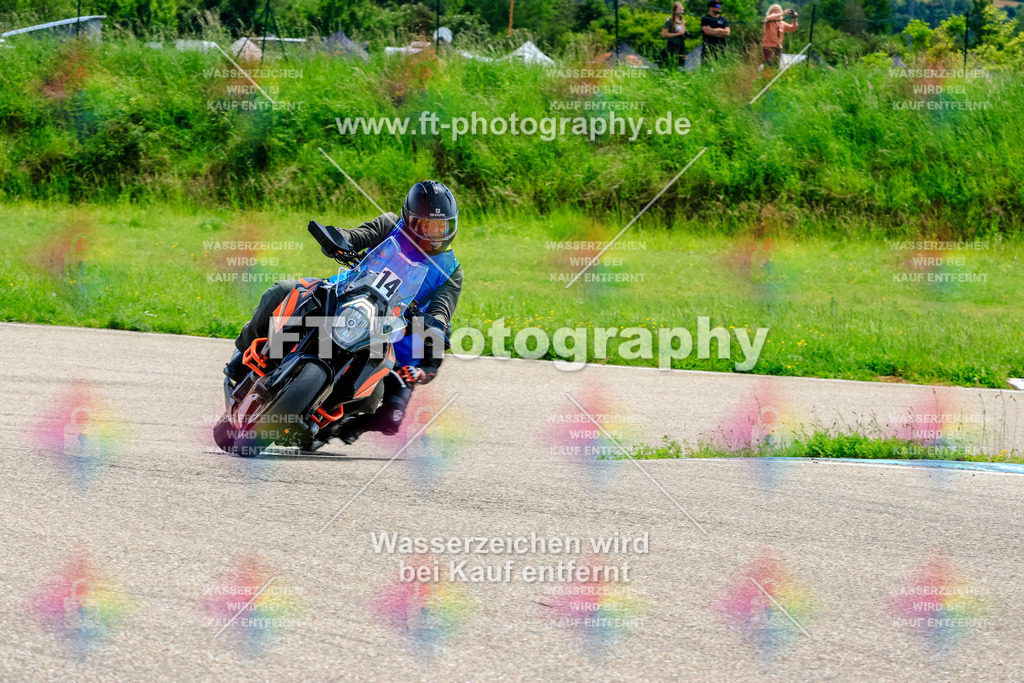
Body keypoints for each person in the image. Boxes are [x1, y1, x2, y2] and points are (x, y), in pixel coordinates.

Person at [225, 180, 463, 445]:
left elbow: (442, 310)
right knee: (284, 290)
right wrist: (338, 241)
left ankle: (323, 419)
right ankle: (241, 357)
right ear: (409, 220)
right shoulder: (389, 225)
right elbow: (356, 236)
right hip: (341, 293)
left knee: (374, 394)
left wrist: (434, 326)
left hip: (381, 327)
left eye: (441, 226)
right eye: (425, 225)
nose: (433, 234)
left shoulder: (451, 271)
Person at [762, 5, 798, 73]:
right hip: (768, 47)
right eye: (774, 11)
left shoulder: (782, 23)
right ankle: (766, 81)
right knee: (768, 67)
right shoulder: (768, 22)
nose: (776, 12)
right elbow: (769, 18)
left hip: (778, 48)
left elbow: (793, 28)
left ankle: (774, 81)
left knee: (776, 67)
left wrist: (794, 18)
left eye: (777, 11)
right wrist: (782, 13)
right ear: (770, 12)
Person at [660, 2, 693, 69]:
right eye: (680, 10)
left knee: (680, 67)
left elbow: (683, 37)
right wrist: (676, 34)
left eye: (683, 10)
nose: (682, 11)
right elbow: (663, 35)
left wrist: (684, 35)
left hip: (680, 47)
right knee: (669, 65)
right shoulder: (669, 21)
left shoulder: (683, 22)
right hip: (671, 47)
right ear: (675, 10)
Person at [700, 0, 730, 66]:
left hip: (720, 49)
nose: (719, 7)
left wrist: (713, 30)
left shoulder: (724, 20)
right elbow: (707, 32)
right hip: (708, 49)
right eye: (717, 5)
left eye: (720, 5)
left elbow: (727, 33)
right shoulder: (705, 19)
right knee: (706, 69)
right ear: (711, 8)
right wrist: (720, 30)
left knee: (721, 69)